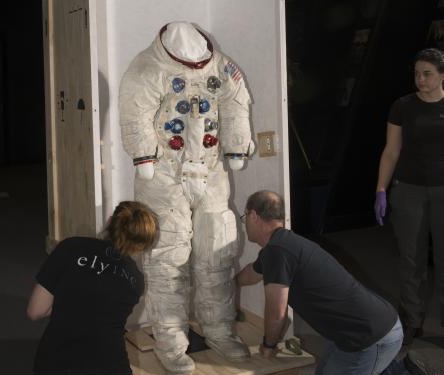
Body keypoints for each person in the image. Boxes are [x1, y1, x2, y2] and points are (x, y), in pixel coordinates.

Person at [118, 21, 254, 373]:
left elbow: (236, 105)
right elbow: (135, 111)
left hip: (210, 173)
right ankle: (171, 342)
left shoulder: (222, 66)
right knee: (167, 260)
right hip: (164, 175)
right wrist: (143, 154)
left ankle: (220, 331)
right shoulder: (147, 67)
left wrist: (238, 147)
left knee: (217, 254)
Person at [236, 190, 403, 375]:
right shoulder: (281, 245)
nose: (245, 224)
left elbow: (277, 314)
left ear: (253, 216)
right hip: (351, 332)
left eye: (245, 217)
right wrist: (226, 283)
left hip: (369, 337)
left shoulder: (277, 252)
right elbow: (251, 274)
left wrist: (269, 345)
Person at [27, 201, 157, 375]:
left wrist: (68, 297)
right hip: (111, 367)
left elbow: (35, 311)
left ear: (110, 222)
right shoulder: (137, 281)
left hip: (57, 365)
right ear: (141, 245)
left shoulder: (71, 247)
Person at [374, 48, 444, 345]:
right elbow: (392, 151)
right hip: (409, 191)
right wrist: (381, 189)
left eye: (427, 73)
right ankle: (413, 320)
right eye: (417, 74)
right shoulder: (403, 106)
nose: (421, 79)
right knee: (411, 259)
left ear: (442, 75)